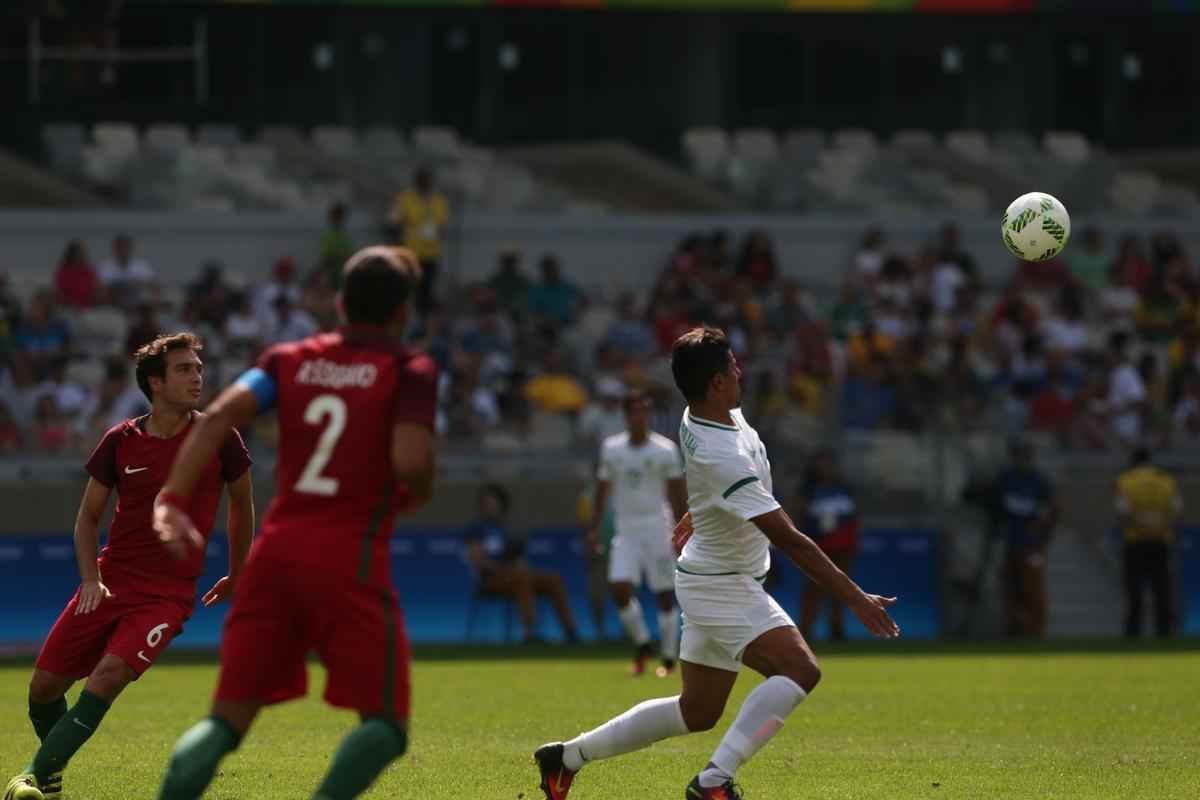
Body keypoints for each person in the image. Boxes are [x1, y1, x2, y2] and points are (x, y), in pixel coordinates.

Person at [533, 326, 899, 800]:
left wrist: (699, 509)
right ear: (716, 383)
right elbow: (791, 540)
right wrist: (856, 598)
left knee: (697, 712)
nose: (739, 371)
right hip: (722, 584)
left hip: (708, 573)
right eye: (731, 367)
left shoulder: (703, 414)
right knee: (800, 670)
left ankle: (566, 757)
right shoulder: (723, 455)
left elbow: (702, 479)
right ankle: (712, 783)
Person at [150, 246, 438, 800]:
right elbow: (409, 463)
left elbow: (215, 421)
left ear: (339, 303)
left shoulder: (289, 360)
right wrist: (420, 489)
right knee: (384, 725)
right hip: (348, 559)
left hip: (274, 556)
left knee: (224, 722)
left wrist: (170, 500)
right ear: (404, 312)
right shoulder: (410, 370)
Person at [3, 333, 253, 800]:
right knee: (42, 689)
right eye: (184, 369)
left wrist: (239, 572)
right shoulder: (121, 440)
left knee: (109, 674)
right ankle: (51, 778)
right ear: (155, 383)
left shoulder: (220, 437)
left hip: (166, 595)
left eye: (198, 368)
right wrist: (91, 579)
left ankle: (28, 776)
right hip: (110, 580)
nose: (197, 376)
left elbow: (242, 504)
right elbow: (87, 518)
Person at [586, 392, 688, 676]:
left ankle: (668, 657)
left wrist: (683, 527)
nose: (640, 416)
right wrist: (594, 528)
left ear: (650, 414)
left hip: (658, 526)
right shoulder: (612, 448)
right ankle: (643, 643)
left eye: (645, 411)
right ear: (626, 416)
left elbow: (677, 491)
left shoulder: (665, 449)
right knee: (619, 588)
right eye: (635, 411)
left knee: (664, 593)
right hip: (626, 529)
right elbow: (603, 490)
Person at [464, 484, 580, 645]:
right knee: (521, 577)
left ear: (501, 505)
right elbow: (476, 560)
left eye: (493, 502)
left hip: (515, 576)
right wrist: (504, 569)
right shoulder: (476, 528)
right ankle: (530, 632)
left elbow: (519, 557)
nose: (490, 506)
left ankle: (571, 632)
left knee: (553, 579)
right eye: (486, 502)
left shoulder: (506, 529)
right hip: (490, 580)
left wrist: (518, 565)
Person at [992, 438, 1057, 639]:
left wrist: (1043, 536)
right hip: (1011, 542)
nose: (1022, 459)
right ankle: (1013, 630)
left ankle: (1036, 631)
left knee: (1034, 590)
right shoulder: (1006, 479)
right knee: (1010, 590)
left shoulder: (1038, 481)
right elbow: (996, 507)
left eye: (1025, 454)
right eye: (1019, 454)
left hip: (1032, 546)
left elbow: (1052, 510)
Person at [1116, 447, 1181, 638]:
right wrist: (1160, 528)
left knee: (1134, 589)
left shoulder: (1125, 481)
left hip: (1135, 541)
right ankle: (1164, 630)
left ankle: (1133, 631)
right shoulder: (1167, 481)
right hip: (1160, 541)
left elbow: (1123, 512)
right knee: (1162, 588)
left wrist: (1141, 527)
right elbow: (1177, 511)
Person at [796, 451, 861, 641]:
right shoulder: (808, 491)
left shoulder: (844, 489)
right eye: (822, 464)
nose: (827, 469)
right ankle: (806, 631)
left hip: (843, 547)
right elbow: (800, 516)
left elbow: (855, 517)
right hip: (818, 547)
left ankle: (837, 629)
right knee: (813, 589)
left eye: (830, 464)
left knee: (841, 589)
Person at [388, 167, 447, 315]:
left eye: (427, 179)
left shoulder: (439, 201)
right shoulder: (405, 199)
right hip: (410, 253)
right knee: (407, 289)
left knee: (426, 292)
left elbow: (442, 226)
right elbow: (395, 222)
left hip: (431, 254)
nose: (424, 182)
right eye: (422, 179)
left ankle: (423, 321)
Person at [98, 233, 156, 310]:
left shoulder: (141, 265)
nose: (123, 250)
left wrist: (137, 284)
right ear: (115, 249)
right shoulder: (105, 266)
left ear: (130, 248)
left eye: (126, 247)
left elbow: (153, 285)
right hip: (114, 303)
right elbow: (101, 288)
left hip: (138, 304)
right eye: (120, 247)